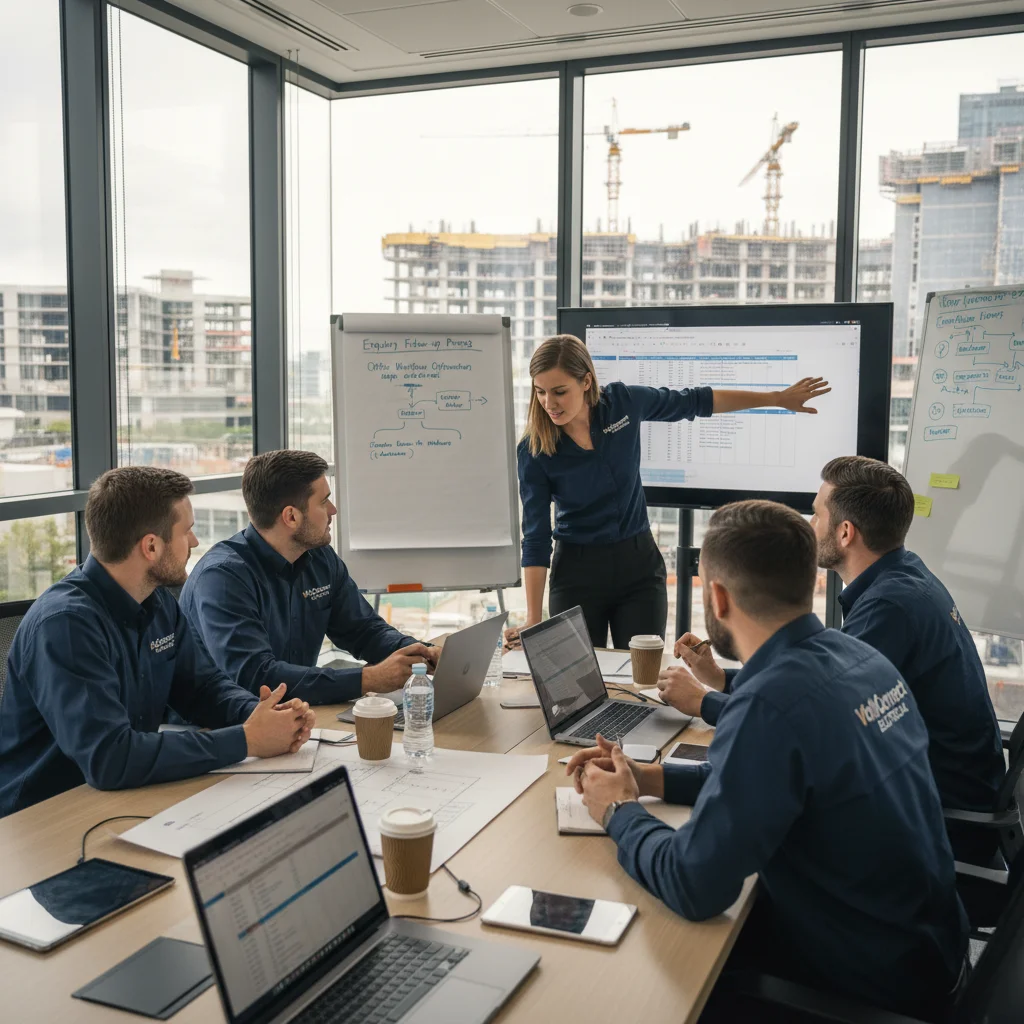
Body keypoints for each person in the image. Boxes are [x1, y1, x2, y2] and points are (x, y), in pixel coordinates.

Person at [567, 500, 968, 1019]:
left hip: (866, 987)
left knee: (644, 974)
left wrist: (618, 811)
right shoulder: (862, 659)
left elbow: (695, 886)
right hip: (930, 954)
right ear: (809, 583)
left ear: (715, 596)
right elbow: (775, 779)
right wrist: (647, 777)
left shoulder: (769, 705)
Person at [659, 455, 1005, 820]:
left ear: (844, 532)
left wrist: (703, 702)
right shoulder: (905, 573)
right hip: (948, 785)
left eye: (817, 515)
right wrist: (720, 679)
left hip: (945, 810)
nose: (810, 524)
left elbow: (811, 724)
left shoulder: (888, 609)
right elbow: (816, 693)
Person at [0, 467, 314, 818]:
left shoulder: (157, 600)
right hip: (43, 818)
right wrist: (247, 740)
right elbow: (110, 758)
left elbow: (202, 689)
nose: (195, 542)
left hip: (123, 799)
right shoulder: (65, 626)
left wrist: (263, 717)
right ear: (151, 546)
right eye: (187, 531)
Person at [507, 334, 830, 650]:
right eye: (540, 392)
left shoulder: (622, 403)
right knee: (577, 684)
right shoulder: (534, 449)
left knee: (643, 677)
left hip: (639, 568)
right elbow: (535, 536)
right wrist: (534, 618)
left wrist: (775, 399)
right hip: (576, 572)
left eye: (559, 392)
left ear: (587, 382)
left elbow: (696, 400)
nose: (549, 403)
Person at [180, 449, 438, 706]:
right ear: (291, 516)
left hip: (296, 712)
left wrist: (422, 652)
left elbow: (363, 630)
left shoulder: (320, 557)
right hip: (220, 729)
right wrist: (367, 679)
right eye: (324, 501)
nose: (333, 510)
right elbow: (257, 677)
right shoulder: (222, 578)